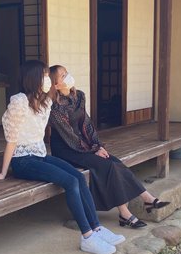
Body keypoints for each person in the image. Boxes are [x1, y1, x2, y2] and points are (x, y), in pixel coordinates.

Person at [0, 60, 125, 254]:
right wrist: (3, 172)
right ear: (33, 78)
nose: (47, 79)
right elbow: (12, 141)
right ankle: (87, 237)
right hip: (23, 160)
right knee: (69, 181)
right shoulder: (19, 102)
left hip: (40, 155)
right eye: (44, 75)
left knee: (78, 177)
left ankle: (97, 228)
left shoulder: (46, 102)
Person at [48, 65, 170, 229]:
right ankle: (127, 212)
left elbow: (87, 124)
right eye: (63, 76)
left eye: (66, 72)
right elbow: (69, 136)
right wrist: (93, 150)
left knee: (114, 162)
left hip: (85, 145)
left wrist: (98, 145)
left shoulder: (79, 96)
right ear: (55, 85)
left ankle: (145, 199)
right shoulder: (55, 107)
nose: (68, 76)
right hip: (66, 149)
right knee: (107, 166)